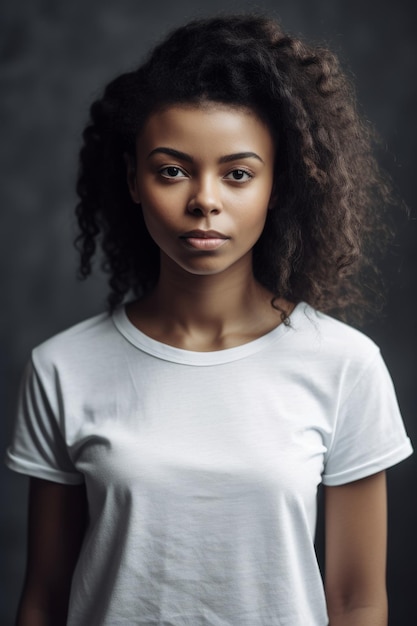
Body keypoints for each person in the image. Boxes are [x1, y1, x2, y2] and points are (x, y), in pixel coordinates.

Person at [5, 14, 413, 626]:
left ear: (278, 186)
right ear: (134, 180)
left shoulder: (345, 366)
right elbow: (44, 597)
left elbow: (358, 600)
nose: (205, 200)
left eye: (238, 173)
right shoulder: (62, 368)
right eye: (172, 170)